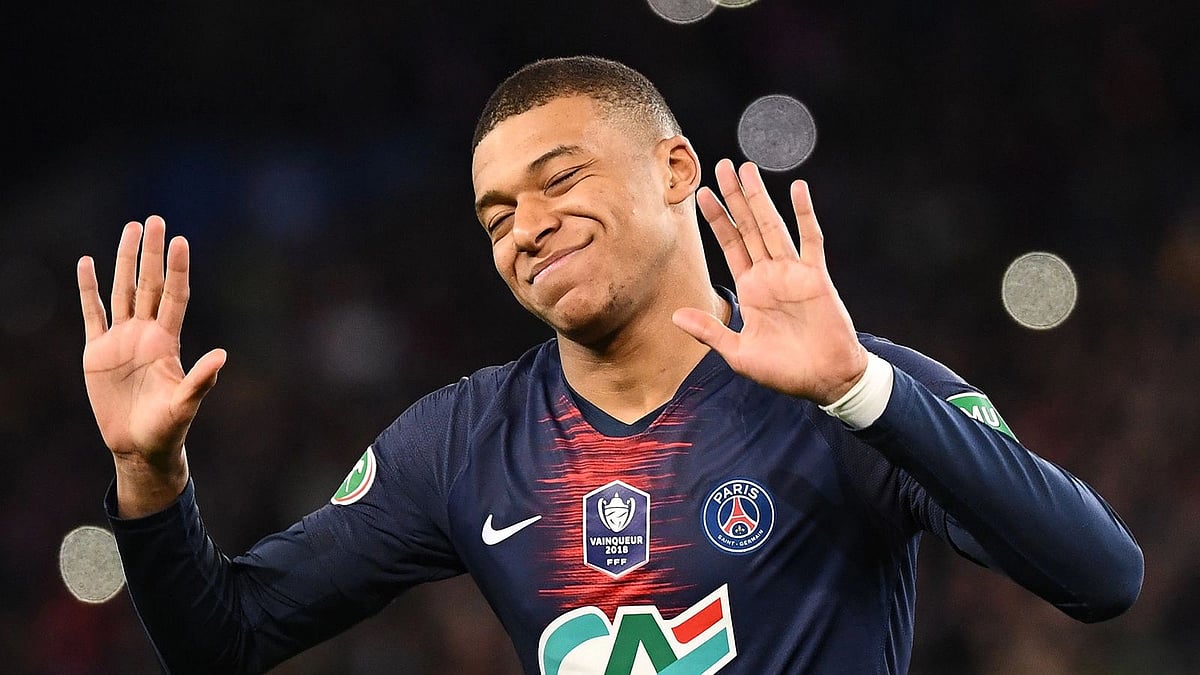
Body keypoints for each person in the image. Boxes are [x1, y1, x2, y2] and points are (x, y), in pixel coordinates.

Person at [77, 56, 1142, 674]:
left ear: (674, 169)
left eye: (560, 180)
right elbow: (225, 643)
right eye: (497, 215)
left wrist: (861, 392)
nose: (527, 227)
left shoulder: (847, 390)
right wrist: (147, 478)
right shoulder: (460, 442)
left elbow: (1102, 576)